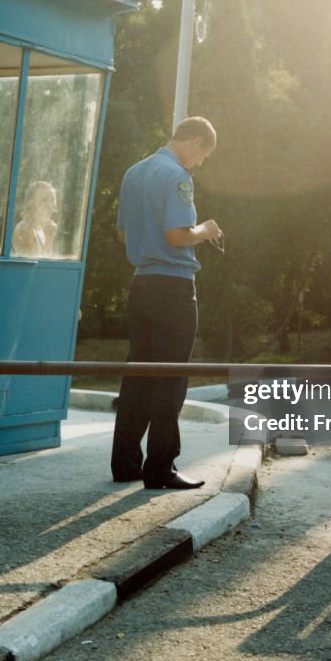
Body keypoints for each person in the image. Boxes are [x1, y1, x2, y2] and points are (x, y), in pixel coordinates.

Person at [110, 116, 223, 490]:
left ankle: (126, 463)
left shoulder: (134, 172)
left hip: (140, 284)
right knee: (170, 378)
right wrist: (205, 230)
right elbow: (177, 235)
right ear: (193, 141)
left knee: (137, 376)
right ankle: (161, 468)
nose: (200, 163)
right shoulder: (176, 175)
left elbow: (124, 235)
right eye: (203, 154)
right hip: (173, 288)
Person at [12, 180, 58, 256]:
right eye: (44, 200)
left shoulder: (41, 229)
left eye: (52, 200)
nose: (50, 205)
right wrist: (49, 237)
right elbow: (38, 265)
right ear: (31, 204)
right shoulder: (25, 229)